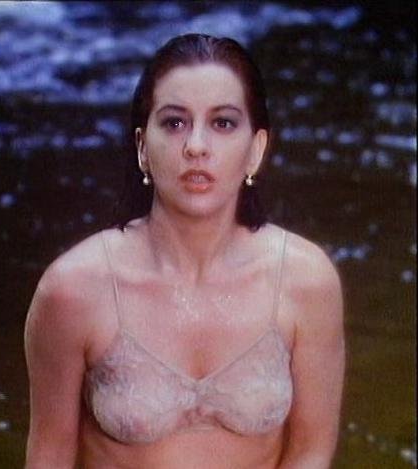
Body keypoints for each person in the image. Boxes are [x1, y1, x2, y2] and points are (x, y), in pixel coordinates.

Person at [23, 34, 345, 469]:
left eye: (223, 123)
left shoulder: (306, 281)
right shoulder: (73, 290)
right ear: (142, 147)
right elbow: (49, 458)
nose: (196, 146)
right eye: (175, 123)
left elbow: (311, 452)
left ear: (256, 149)